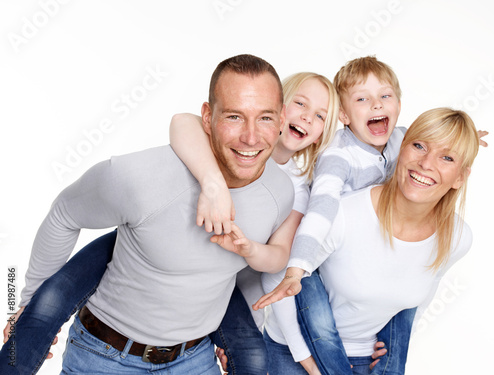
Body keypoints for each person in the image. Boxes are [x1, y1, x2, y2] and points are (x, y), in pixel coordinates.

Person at [0, 54, 294, 374]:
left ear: (280, 120)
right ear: (207, 117)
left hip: (194, 360)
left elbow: (246, 272)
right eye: (235, 116)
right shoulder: (141, 178)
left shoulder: (280, 192)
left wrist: (238, 337)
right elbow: (64, 215)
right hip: (104, 357)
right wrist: (30, 306)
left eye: (265, 118)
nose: (251, 137)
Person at [258, 107, 480, 374]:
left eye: (446, 157)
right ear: (401, 149)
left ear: (460, 177)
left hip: (367, 358)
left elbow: (424, 293)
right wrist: (307, 359)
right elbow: (278, 277)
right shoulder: (343, 215)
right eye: (419, 146)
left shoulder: (457, 238)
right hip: (296, 353)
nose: (427, 163)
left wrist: (396, 345)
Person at [168, 71, 339, 374]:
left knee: (251, 356)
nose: (307, 118)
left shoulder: (298, 187)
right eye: (300, 103)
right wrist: (213, 183)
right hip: (174, 251)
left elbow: (278, 256)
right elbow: (183, 120)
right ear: (278, 106)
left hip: (229, 281)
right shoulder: (239, 142)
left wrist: (250, 249)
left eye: (320, 116)